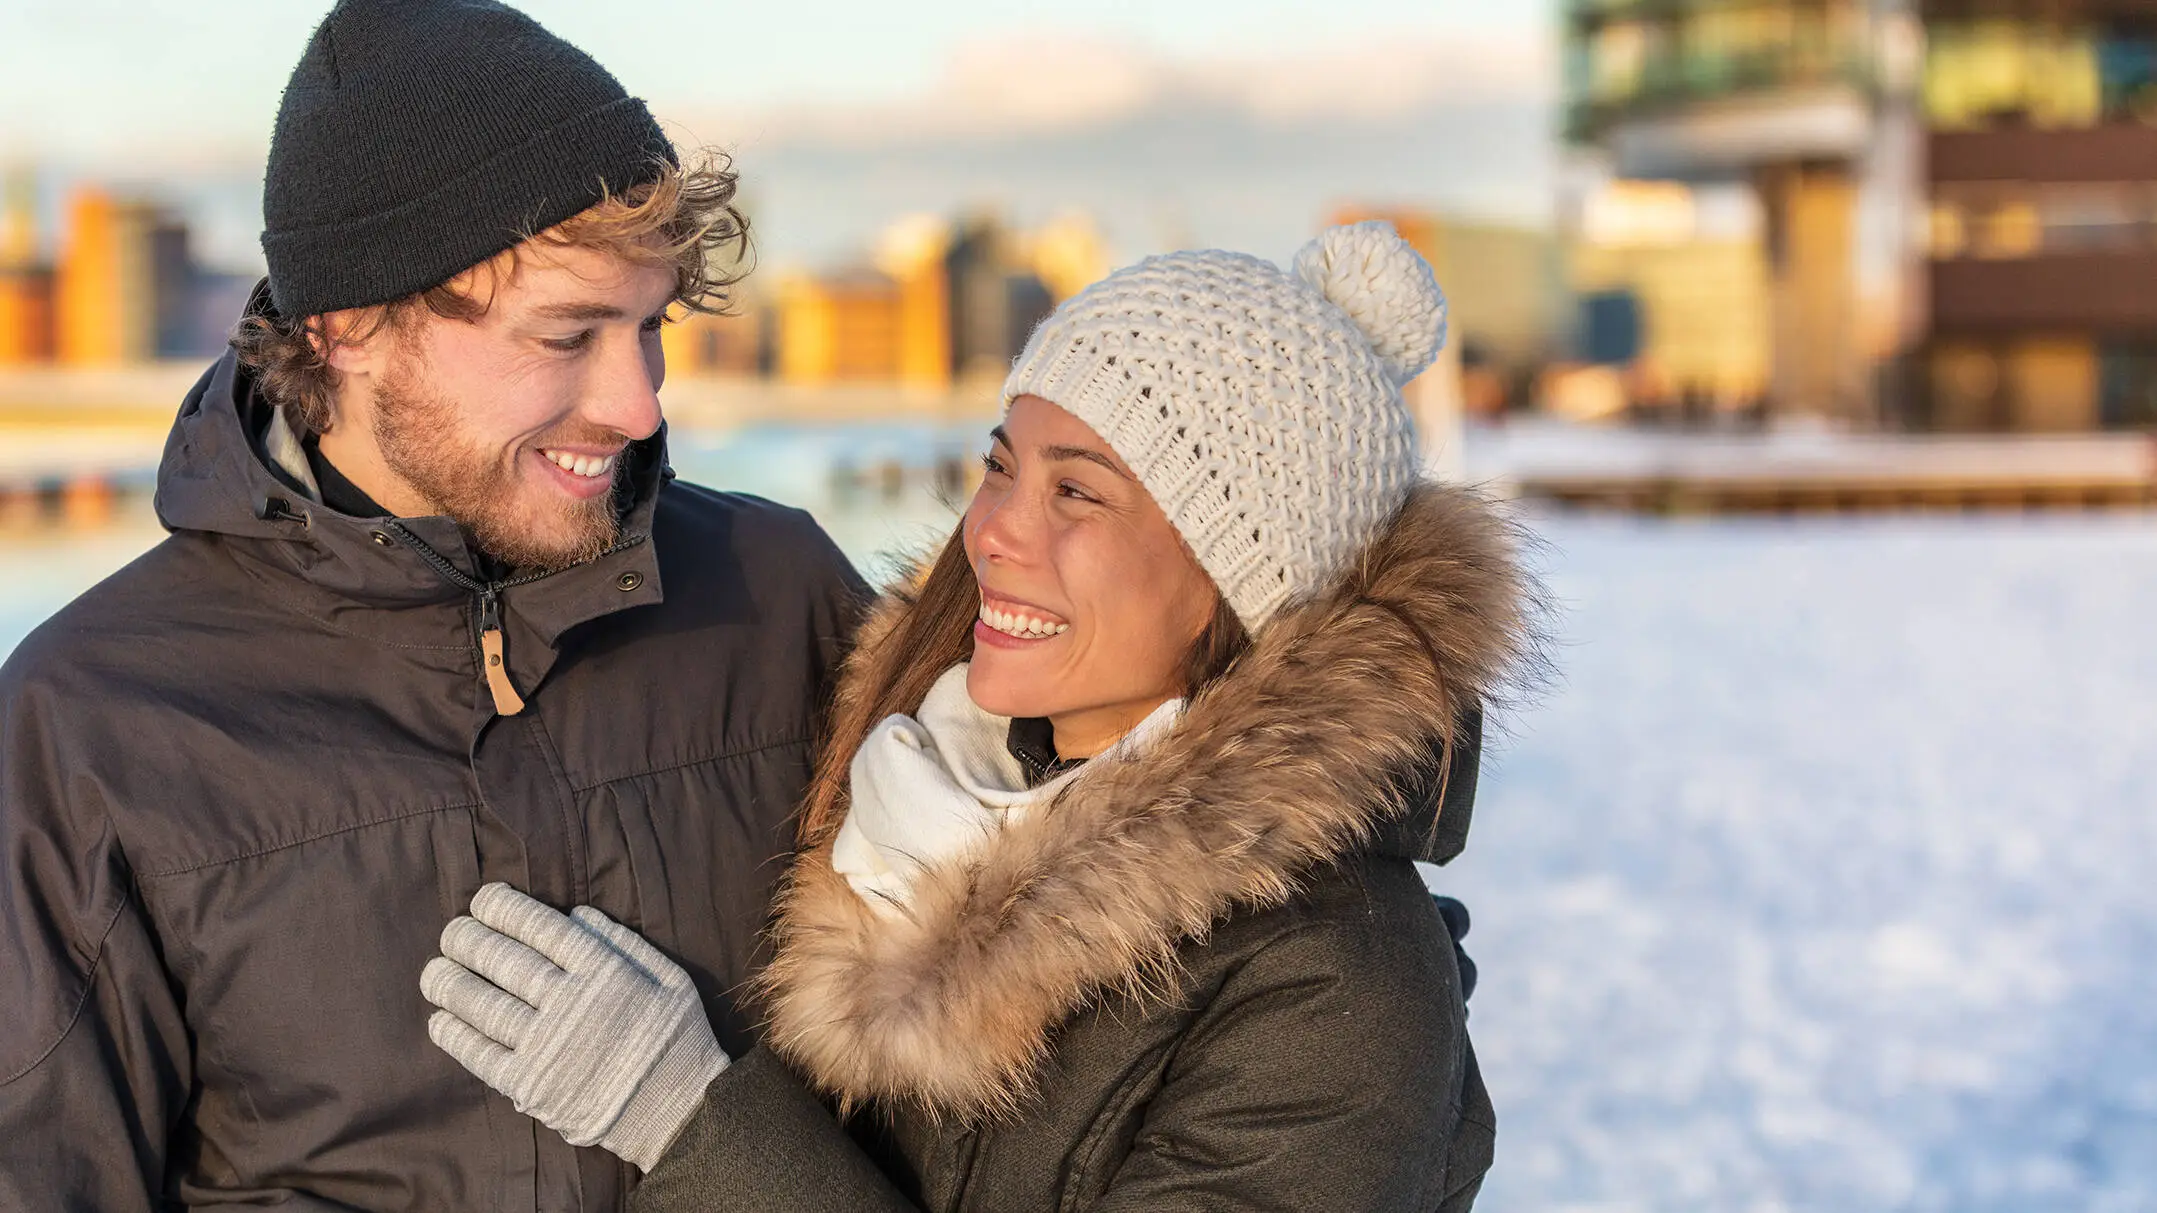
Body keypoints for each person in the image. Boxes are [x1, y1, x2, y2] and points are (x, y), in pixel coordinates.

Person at [420, 222, 1543, 1211]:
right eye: (999, 469)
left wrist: (683, 1119)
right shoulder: (904, 805)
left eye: (1078, 491)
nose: (992, 533)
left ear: (1246, 581)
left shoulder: (1342, 990)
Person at [0, 1, 862, 1207]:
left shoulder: (783, 599)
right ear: (349, 325)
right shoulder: (90, 720)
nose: (641, 405)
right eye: (567, 334)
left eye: (648, 326)